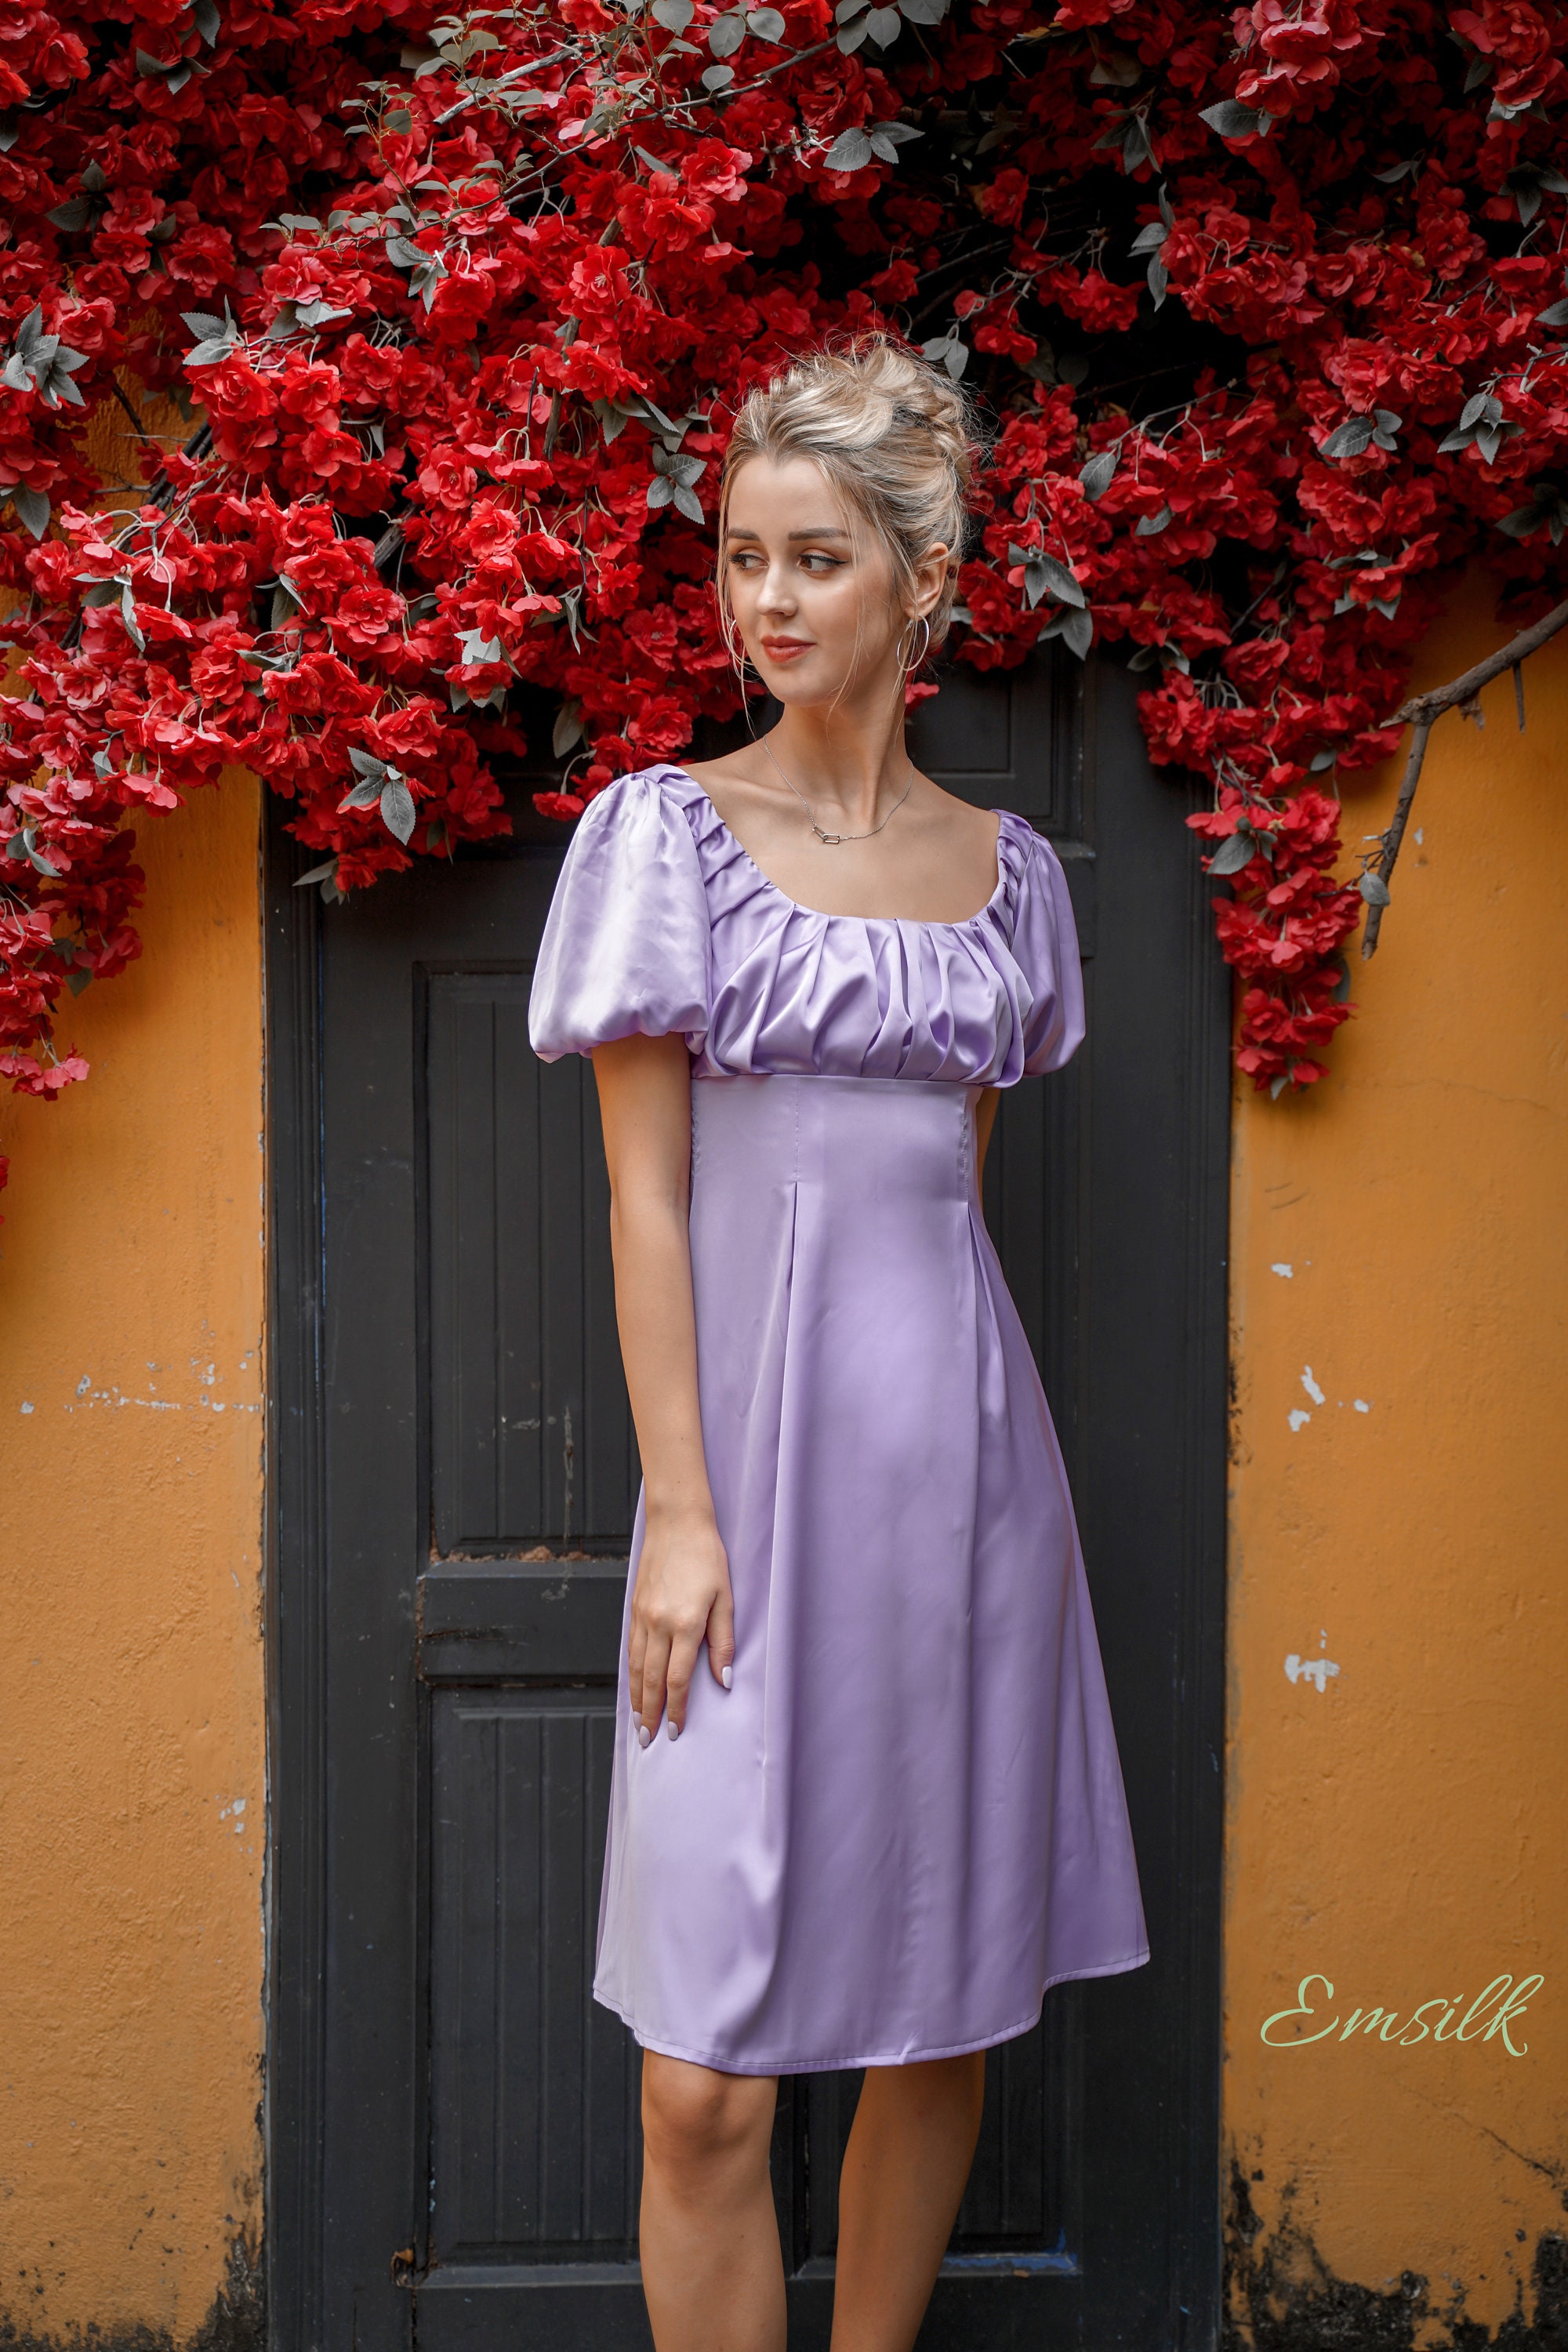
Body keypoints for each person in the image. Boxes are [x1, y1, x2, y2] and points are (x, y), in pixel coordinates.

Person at [527, 335, 1149, 2352]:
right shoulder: (660, 837)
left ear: (916, 576)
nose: (763, 603)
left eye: (811, 559)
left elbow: (947, 1203)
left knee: (931, 1998)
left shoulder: (1012, 882)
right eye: (737, 558)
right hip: (740, 1499)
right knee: (699, 2086)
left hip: (961, 1499)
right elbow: (648, 1199)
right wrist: (685, 1516)